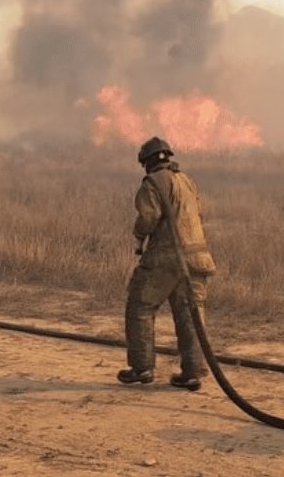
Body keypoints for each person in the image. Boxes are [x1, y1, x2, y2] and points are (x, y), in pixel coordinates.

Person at [117, 136, 217, 390]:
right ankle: (193, 373)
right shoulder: (186, 180)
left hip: (167, 257)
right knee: (190, 314)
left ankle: (141, 368)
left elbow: (148, 218)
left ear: (147, 162)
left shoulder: (152, 182)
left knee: (140, 306)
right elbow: (198, 212)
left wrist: (139, 236)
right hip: (198, 258)